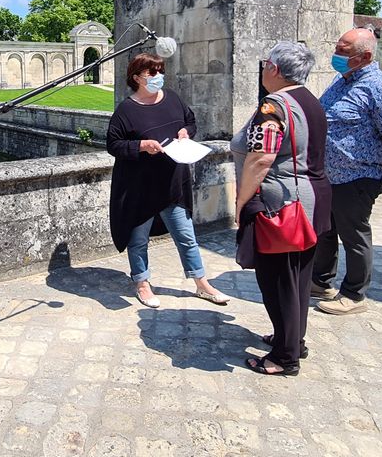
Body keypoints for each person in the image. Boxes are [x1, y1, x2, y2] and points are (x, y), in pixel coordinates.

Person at [233, 41, 331, 376]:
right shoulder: (310, 101)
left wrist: (241, 201)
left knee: (279, 281)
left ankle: (284, 357)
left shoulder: (273, 106)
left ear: (274, 68)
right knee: (298, 279)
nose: (262, 70)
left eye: (264, 64)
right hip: (313, 199)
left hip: (284, 205)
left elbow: (261, 158)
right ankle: (292, 339)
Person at [106, 52, 229, 309]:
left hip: (172, 183)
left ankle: (201, 283)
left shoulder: (172, 98)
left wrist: (186, 132)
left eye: (161, 71)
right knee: (138, 239)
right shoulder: (126, 110)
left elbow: (190, 121)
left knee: (186, 235)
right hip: (140, 187)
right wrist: (141, 146)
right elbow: (113, 144)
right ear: (137, 77)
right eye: (153, 73)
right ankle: (142, 283)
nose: (159, 77)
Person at [313, 28, 382, 316]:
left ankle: (354, 294)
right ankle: (320, 282)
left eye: (344, 52)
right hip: (330, 175)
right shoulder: (341, 81)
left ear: (365, 56)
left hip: (357, 177)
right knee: (326, 231)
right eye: (337, 48)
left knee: (353, 234)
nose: (336, 55)